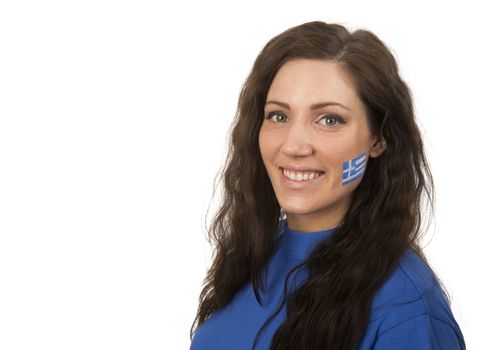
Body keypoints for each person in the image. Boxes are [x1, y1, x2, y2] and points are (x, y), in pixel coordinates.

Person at [188, 20, 466, 350]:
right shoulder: (252, 256)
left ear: (378, 138)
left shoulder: (407, 311)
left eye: (329, 120)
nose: (293, 146)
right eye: (279, 116)